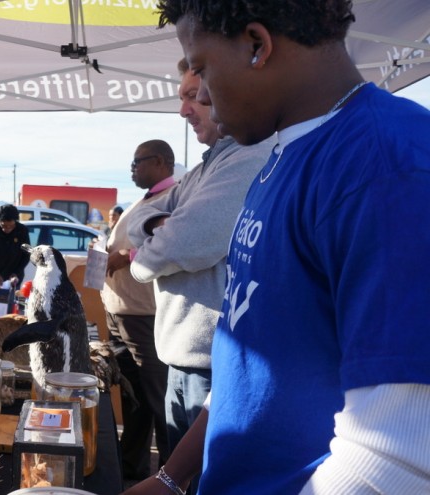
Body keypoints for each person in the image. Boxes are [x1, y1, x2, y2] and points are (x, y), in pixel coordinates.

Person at [146, 0, 430, 493]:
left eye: (202, 68)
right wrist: (172, 477)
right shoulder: (283, 156)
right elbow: (245, 362)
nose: (202, 94)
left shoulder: (388, 166)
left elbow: (397, 457)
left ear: (257, 45)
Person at [126, 55, 273, 493]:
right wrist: (161, 224)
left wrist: (153, 247)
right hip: (185, 359)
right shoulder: (205, 168)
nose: (185, 109)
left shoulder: (248, 159)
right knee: (177, 477)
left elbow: (182, 244)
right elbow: (138, 222)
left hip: (212, 367)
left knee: (193, 481)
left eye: (195, 95)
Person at [101, 139, 176, 481]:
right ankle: (132, 467)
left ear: (159, 161)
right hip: (122, 311)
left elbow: (171, 242)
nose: (132, 169)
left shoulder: (171, 197)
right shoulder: (146, 198)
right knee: (134, 396)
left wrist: (126, 256)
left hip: (143, 314)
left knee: (158, 397)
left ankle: (172, 476)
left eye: (137, 162)